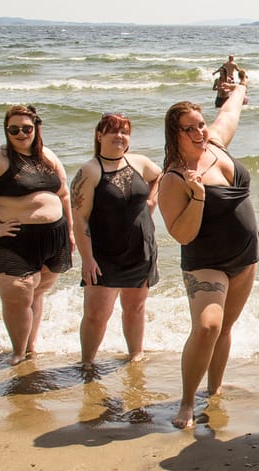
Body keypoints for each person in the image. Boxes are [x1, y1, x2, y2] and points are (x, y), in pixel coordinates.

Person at [158, 83, 259, 429]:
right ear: (175, 135)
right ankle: (187, 402)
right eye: (190, 128)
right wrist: (198, 196)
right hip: (207, 262)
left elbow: (230, 112)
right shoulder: (172, 178)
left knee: (226, 328)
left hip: (246, 257)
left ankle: (214, 391)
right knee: (207, 327)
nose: (200, 132)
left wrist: (240, 86)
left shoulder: (216, 143)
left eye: (201, 124)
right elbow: (181, 234)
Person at [0, 105, 73, 365]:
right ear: (6, 130)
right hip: (15, 239)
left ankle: (31, 347)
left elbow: (64, 194)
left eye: (27, 128)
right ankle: (18, 353)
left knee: (38, 292)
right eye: (14, 129)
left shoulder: (46, 155)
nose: (21, 133)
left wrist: (70, 231)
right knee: (17, 295)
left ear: (36, 129)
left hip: (53, 237)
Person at [70, 112, 162, 371]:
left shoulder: (139, 162)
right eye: (114, 131)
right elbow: (80, 219)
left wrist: (152, 201)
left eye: (125, 131)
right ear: (100, 135)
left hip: (141, 249)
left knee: (135, 308)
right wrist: (87, 259)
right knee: (97, 314)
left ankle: (136, 357)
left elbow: (159, 175)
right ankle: (87, 362)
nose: (120, 136)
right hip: (104, 254)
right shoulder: (90, 171)